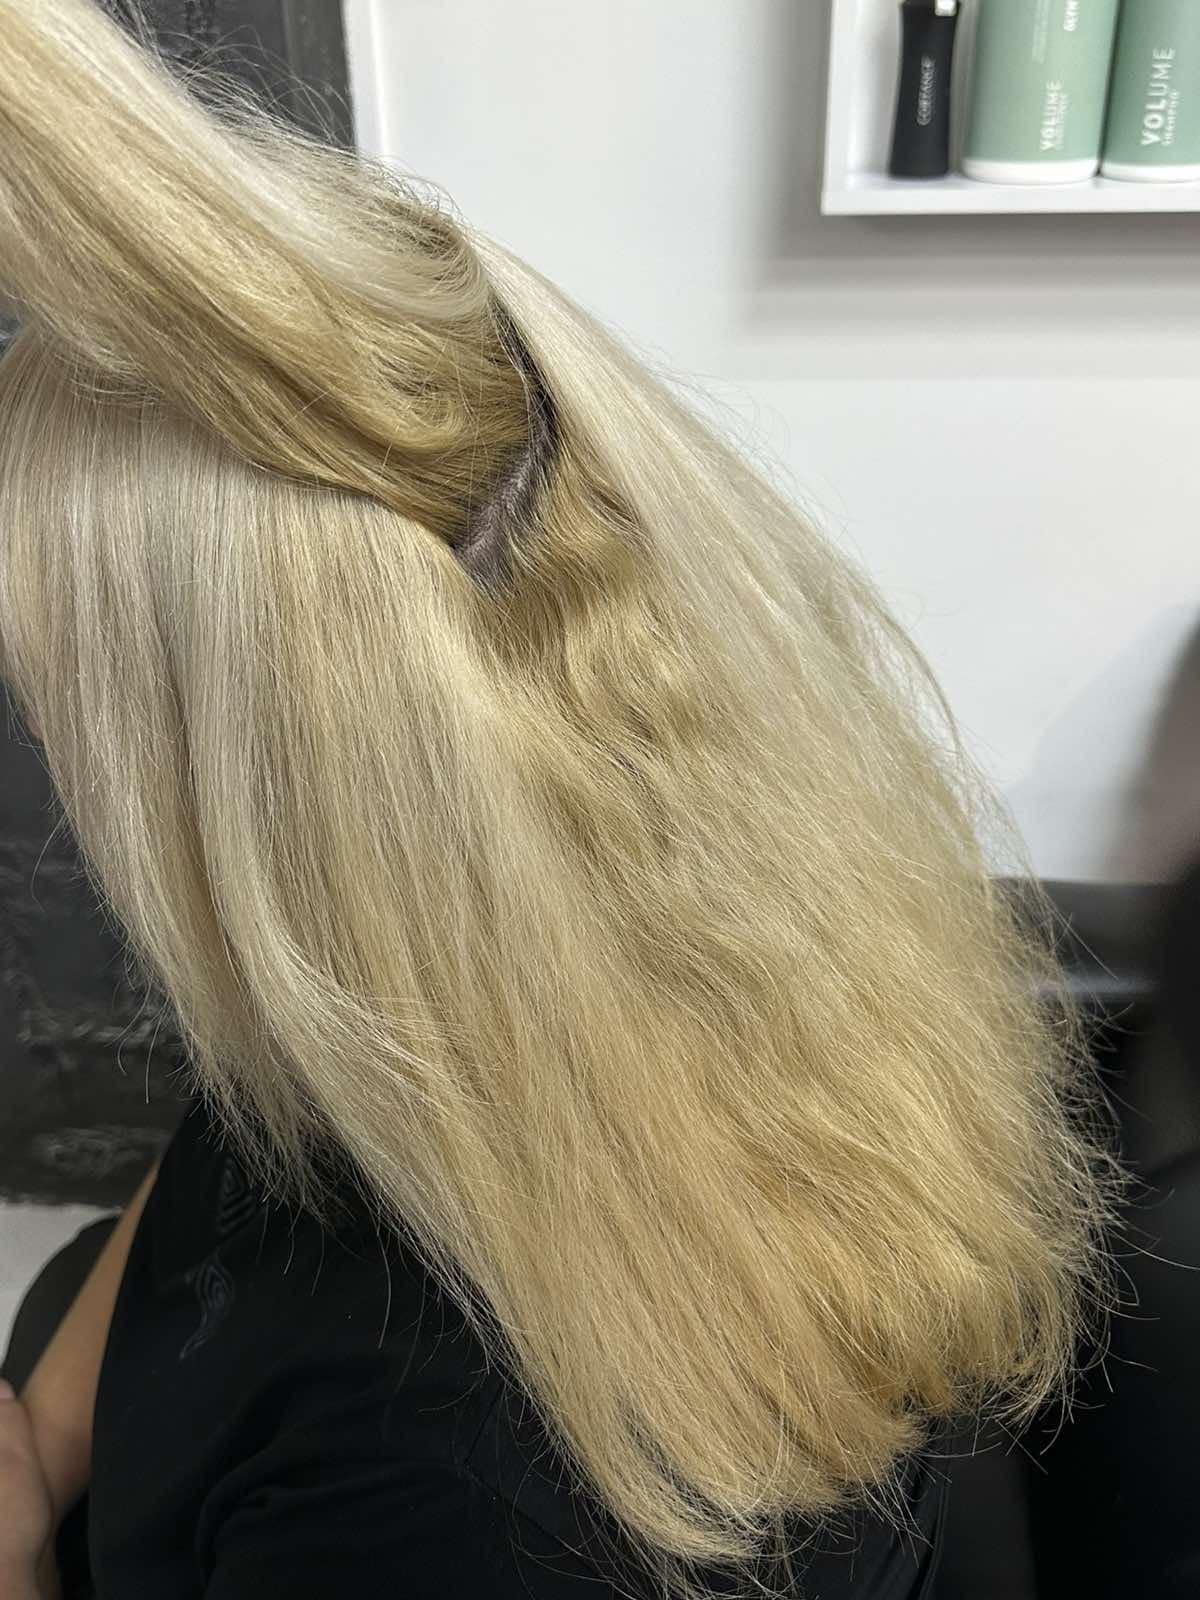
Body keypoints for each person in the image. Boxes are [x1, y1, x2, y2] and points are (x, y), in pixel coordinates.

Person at [0, 2, 1115, 1596]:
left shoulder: (462, 1499)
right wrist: (43, 1437)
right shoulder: (543, 938)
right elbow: (241, 1147)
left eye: (61, 691)